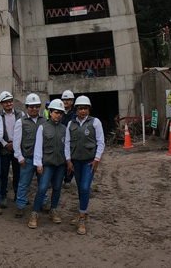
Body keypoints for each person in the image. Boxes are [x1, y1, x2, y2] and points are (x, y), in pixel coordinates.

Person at [65, 95, 105, 235]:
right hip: (76, 162)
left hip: (89, 162)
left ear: (89, 109)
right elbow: (67, 143)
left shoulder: (95, 122)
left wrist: (97, 159)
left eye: (85, 108)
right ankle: (83, 212)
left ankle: (82, 218)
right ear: (76, 109)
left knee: (84, 187)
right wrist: (68, 160)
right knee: (80, 188)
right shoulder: (71, 124)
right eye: (80, 108)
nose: (83, 111)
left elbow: (101, 142)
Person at [28, 99, 68, 229]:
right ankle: (35, 213)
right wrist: (38, 164)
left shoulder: (64, 129)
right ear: (50, 112)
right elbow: (38, 146)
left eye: (61, 113)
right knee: (43, 187)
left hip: (60, 164)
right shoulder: (43, 127)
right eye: (56, 112)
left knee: (57, 187)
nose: (58, 115)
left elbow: (66, 147)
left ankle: (53, 209)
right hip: (47, 164)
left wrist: (68, 161)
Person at [14, 93, 46, 217]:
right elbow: (17, 142)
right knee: (23, 183)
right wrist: (19, 157)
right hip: (26, 158)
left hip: (41, 160)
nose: (34, 109)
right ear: (27, 107)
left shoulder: (44, 121)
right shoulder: (21, 122)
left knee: (43, 183)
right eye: (31, 106)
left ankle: (44, 202)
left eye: (37, 106)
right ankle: (20, 206)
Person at [0, 90, 24, 207]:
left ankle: (18, 195)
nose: (8, 104)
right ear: (1, 104)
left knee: (18, 173)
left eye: (10, 101)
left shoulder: (21, 114)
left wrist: (16, 144)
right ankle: (3, 196)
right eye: (5, 102)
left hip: (17, 148)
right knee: (3, 173)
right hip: (4, 148)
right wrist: (5, 144)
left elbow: (24, 131)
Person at [61, 89, 76, 188]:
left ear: (72, 101)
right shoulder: (59, 112)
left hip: (71, 140)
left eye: (68, 100)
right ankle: (60, 177)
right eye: (64, 100)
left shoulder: (75, 114)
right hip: (60, 139)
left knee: (71, 159)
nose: (66, 102)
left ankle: (68, 179)